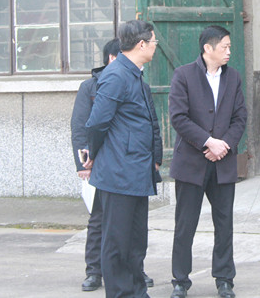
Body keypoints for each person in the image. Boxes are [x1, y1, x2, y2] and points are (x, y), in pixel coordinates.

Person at [71, 38, 160, 292]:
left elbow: (151, 124)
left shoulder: (138, 81)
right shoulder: (105, 81)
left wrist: (155, 159)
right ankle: (96, 272)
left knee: (132, 235)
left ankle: (135, 284)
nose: (155, 45)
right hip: (112, 168)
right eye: (153, 41)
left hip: (133, 169)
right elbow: (88, 125)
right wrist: (87, 160)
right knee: (106, 229)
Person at [168, 26, 247, 298]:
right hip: (191, 163)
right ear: (207, 48)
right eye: (224, 46)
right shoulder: (184, 75)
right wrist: (207, 141)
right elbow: (178, 117)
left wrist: (223, 145)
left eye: (229, 46)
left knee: (224, 224)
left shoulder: (233, 77)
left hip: (222, 162)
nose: (229, 51)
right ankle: (180, 280)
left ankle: (224, 279)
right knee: (185, 224)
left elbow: (240, 117)